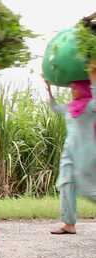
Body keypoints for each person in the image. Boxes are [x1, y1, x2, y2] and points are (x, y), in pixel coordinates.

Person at [46, 62, 96, 235]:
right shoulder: (70, 107)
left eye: (75, 88)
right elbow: (54, 107)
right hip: (69, 151)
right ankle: (69, 224)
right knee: (66, 184)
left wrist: (93, 77)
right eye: (71, 88)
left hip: (86, 152)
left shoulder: (91, 106)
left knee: (88, 189)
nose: (72, 90)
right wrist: (48, 90)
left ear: (84, 89)